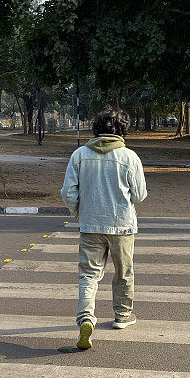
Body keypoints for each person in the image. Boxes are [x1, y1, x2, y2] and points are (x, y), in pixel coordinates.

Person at [61, 108, 147, 349]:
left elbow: (68, 193)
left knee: (88, 274)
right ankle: (122, 317)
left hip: (90, 225)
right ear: (122, 130)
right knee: (123, 272)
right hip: (122, 226)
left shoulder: (79, 155)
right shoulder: (129, 157)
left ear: (96, 128)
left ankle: (86, 318)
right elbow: (139, 195)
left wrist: (80, 212)